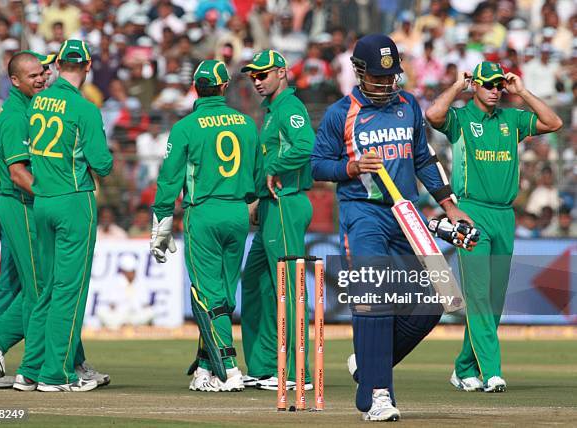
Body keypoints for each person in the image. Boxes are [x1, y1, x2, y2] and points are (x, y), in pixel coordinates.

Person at [311, 34, 471, 421]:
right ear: (359, 72)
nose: (385, 84)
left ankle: (368, 368)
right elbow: (317, 165)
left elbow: (423, 158)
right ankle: (378, 394)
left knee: (434, 303)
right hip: (364, 213)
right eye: (378, 78)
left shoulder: (408, 106)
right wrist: (349, 168)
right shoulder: (340, 113)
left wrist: (450, 206)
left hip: (407, 214)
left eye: (390, 77)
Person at [0, 51, 110, 391]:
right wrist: (53, 192)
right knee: (45, 288)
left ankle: (65, 360)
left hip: (26, 205)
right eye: (33, 76)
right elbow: (16, 172)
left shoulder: (35, 104)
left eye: (43, 71)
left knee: (20, 285)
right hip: (23, 204)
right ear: (14, 81)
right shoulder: (17, 113)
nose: (41, 78)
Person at [425, 61, 562, 393]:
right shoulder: (461, 119)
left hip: (504, 214)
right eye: (488, 84)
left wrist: (523, 91)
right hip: (470, 213)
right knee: (479, 295)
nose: (495, 90)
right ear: (476, 86)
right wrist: (458, 85)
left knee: (495, 299)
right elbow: (432, 115)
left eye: (499, 85)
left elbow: (554, 122)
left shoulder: (511, 119)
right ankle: (492, 372)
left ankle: (463, 367)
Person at [150, 60, 262, 392]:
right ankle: (205, 367)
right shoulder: (246, 123)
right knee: (224, 295)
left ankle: (227, 367)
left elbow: (168, 180)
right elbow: (256, 178)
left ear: (195, 87)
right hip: (238, 213)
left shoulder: (185, 127)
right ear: (225, 87)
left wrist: (161, 222)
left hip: (204, 213)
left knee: (206, 294)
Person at [17, 39, 113, 392]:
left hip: (42, 199)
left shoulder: (38, 100)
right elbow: (103, 163)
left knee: (47, 290)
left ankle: (30, 368)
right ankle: (56, 374)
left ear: (56, 64)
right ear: (87, 67)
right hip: (73, 200)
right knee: (69, 291)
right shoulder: (85, 109)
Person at [239, 49, 315, 390]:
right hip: (271, 206)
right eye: (253, 76)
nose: (257, 80)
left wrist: (272, 169)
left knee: (288, 287)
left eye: (263, 74)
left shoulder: (289, 107)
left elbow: (305, 145)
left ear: (282, 73)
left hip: (287, 203)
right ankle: (266, 365)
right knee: (255, 281)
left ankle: (299, 373)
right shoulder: (271, 111)